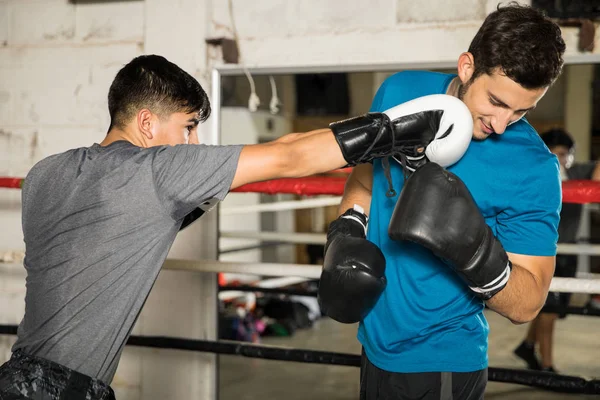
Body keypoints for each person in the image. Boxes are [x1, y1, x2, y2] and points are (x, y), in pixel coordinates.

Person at [0, 53, 472, 399]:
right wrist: (400, 128)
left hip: (16, 375)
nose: (195, 142)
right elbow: (291, 154)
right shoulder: (157, 172)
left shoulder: (45, 174)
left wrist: (215, 178)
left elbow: (121, 226)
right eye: (187, 127)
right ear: (146, 123)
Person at [317, 3, 566, 399]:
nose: (502, 124)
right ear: (467, 67)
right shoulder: (398, 92)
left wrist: (472, 249)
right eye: (498, 103)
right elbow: (364, 182)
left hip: (444, 361)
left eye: (523, 111)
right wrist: (346, 229)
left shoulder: (532, 167)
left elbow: (528, 304)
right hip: (375, 345)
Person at [513, 128, 600, 373]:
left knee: (550, 309)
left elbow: (597, 178)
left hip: (567, 251)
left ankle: (528, 345)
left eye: (566, 154)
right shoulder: (532, 174)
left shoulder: (575, 172)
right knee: (548, 312)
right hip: (540, 252)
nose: (561, 159)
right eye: (557, 154)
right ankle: (547, 367)